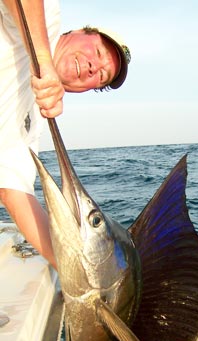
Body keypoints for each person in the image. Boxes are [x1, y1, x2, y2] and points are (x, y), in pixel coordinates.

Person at [0, 0, 131, 269]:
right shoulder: (47, 19)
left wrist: (75, 269)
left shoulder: (32, 121)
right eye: (97, 50)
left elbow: (13, 189)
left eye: (103, 75)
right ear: (76, 33)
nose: (95, 66)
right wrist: (44, 61)